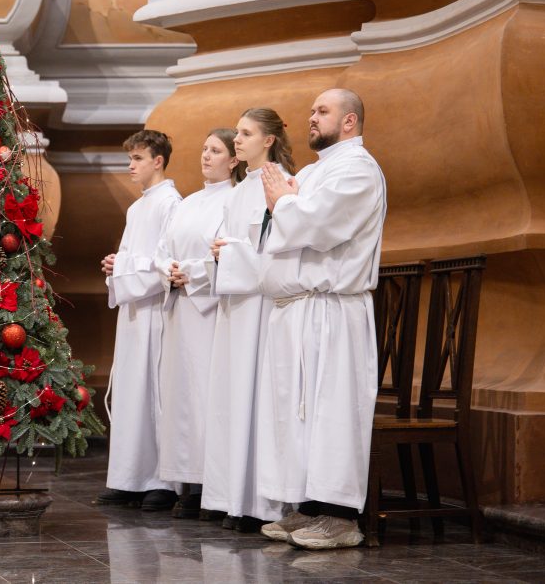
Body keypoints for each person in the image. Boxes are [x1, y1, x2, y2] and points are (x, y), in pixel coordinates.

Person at [255, 88, 386, 549]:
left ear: (349, 121)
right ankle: (307, 507)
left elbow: (317, 226)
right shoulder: (314, 170)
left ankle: (341, 518)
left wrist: (284, 203)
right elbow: (284, 229)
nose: (311, 117)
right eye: (311, 110)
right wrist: (286, 204)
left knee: (330, 411)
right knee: (298, 411)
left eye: (322, 111)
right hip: (300, 308)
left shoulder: (358, 169)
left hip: (333, 308)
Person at [202, 109, 295, 532]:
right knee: (231, 398)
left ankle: (260, 503)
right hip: (234, 308)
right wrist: (219, 252)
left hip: (260, 308)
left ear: (269, 140)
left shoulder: (279, 183)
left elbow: (277, 247)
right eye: (236, 133)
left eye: (246, 133)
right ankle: (231, 497)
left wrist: (232, 253)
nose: (238, 140)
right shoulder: (241, 190)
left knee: (256, 400)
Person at [153, 129, 239, 517]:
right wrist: (166, 270)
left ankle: (211, 486)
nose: (205, 156)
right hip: (179, 311)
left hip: (210, 313)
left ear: (234, 160)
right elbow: (162, 249)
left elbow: (229, 251)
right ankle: (186, 483)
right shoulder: (187, 202)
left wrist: (192, 273)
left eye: (216, 150)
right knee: (180, 398)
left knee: (206, 397)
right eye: (204, 148)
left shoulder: (235, 201)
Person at [98, 129, 182, 510]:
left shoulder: (171, 204)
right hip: (133, 311)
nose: (130, 166)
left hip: (154, 312)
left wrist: (125, 267)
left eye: (137, 159)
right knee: (132, 392)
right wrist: (116, 266)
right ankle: (128, 478)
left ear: (158, 161)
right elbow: (134, 256)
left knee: (153, 394)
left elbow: (165, 263)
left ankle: (160, 482)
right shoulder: (137, 207)